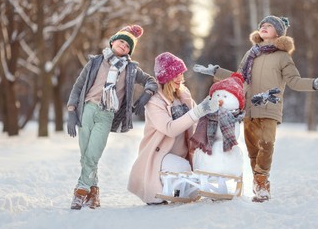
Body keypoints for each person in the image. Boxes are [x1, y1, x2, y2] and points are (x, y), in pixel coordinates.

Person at [193, 15, 318, 203]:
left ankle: (262, 183)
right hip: (249, 109)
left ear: (278, 32)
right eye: (262, 25)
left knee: (267, 144)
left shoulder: (282, 57)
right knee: (253, 150)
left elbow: (294, 81)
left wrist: (316, 83)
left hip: (269, 108)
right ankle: (258, 185)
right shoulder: (251, 54)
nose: (264, 27)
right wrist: (216, 72)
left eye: (269, 25)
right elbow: (239, 78)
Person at [66, 24, 158, 210]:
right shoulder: (95, 62)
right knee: (85, 155)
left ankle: (81, 191)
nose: (124, 45)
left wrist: (146, 95)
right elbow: (78, 87)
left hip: (106, 114)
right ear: (113, 41)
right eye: (121, 41)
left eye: (128, 45)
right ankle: (94, 192)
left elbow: (151, 81)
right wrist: (71, 111)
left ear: (129, 51)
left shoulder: (131, 69)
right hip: (87, 110)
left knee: (93, 154)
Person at [127, 52, 220, 205]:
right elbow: (169, 128)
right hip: (160, 155)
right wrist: (197, 112)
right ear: (165, 77)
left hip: (182, 153)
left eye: (181, 74)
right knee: (181, 167)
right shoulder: (154, 101)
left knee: (194, 179)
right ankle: (162, 187)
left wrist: (210, 110)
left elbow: (195, 119)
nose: (180, 78)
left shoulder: (183, 94)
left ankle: (184, 189)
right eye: (175, 75)